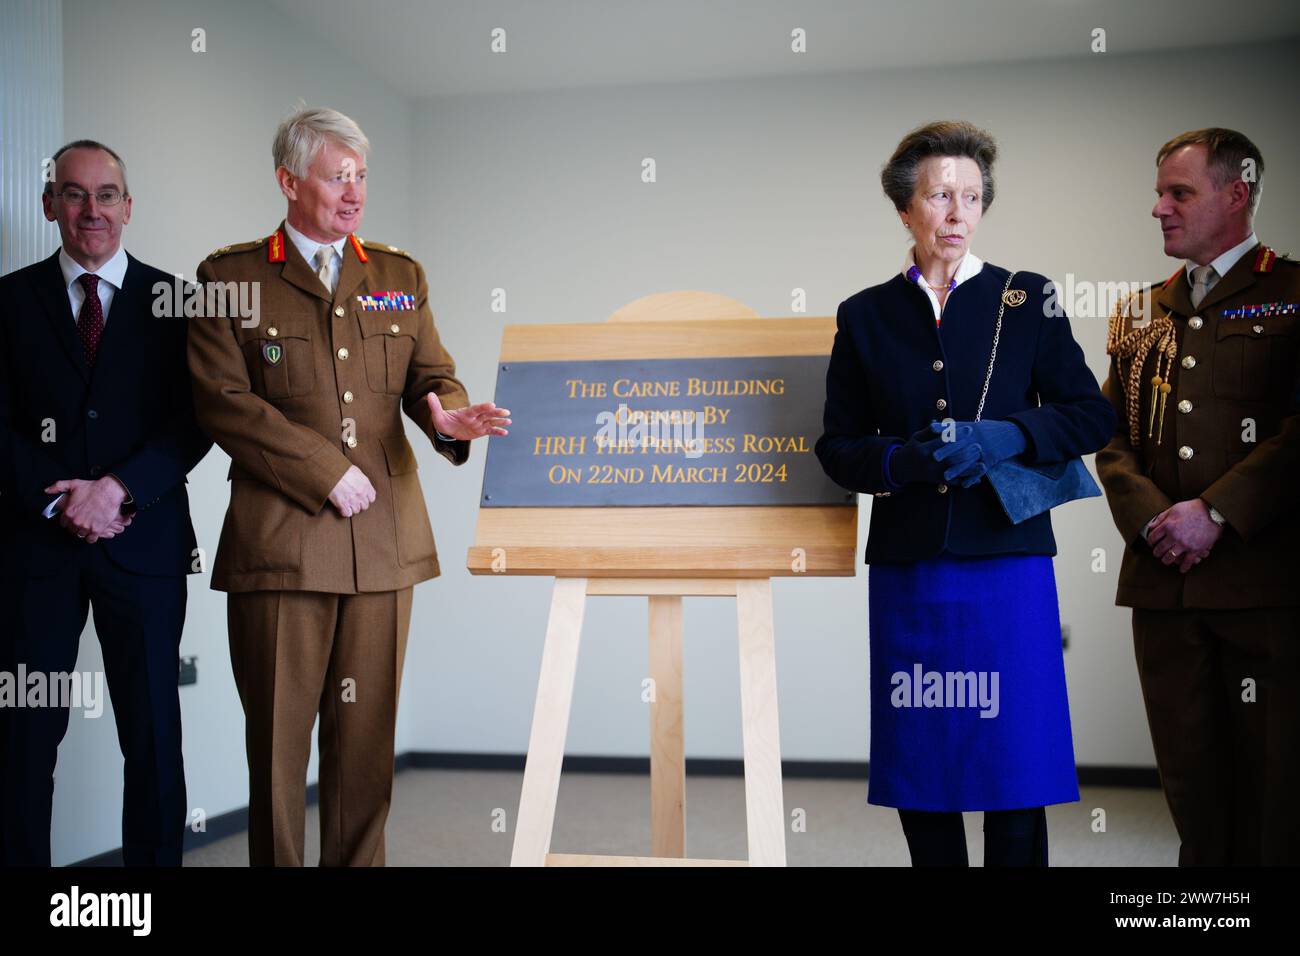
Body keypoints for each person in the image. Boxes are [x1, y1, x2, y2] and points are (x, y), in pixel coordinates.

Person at [187, 106, 510, 866]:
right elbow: (222, 401)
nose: (354, 191)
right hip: (281, 544)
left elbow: (432, 377)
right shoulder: (229, 277)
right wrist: (326, 472)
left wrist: (450, 418)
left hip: (383, 546)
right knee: (277, 748)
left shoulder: (398, 275)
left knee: (365, 747)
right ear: (288, 180)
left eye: (361, 175)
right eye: (338, 176)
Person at [815, 120, 1115, 866]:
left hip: (1006, 563)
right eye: (941, 195)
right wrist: (902, 464)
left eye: (972, 197)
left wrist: (1005, 437)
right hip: (910, 568)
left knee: (1014, 764)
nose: (957, 212)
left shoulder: (1029, 296)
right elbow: (838, 446)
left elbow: (1090, 414)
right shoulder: (864, 314)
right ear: (905, 207)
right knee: (923, 764)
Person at [0, 140, 211, 865]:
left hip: (145, 545)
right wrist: (58, 503)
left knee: (152, 735)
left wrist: (118, 490)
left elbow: (198, 420)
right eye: (74, 193)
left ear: (129, 206)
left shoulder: (179, 302)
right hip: (34, 554)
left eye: (107, 194)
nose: (93, 210)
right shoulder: (6, 301)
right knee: (22, 741)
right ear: (50, 204)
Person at [1096, 128, 1299, 866]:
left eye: (1178, 192)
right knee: (1190, 781)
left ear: (1236, 193)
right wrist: (1155, 518)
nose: (1158, 209)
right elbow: (1110, 437)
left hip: (1261, 583)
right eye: (1159, 193)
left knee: (1276, 781)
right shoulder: (1139, 311)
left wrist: (1215, 513)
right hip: (1164, 585)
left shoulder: (1294, 293)